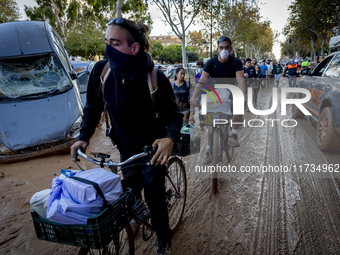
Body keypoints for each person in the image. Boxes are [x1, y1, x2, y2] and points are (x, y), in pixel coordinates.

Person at [70, 17, 183, 255]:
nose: (108, 48)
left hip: (153, 150)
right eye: (107, 42)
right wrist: (83, 137)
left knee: (154, 195)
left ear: (134, 48)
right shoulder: (102, 72)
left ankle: (164, 237)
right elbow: (92, 108)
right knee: (129, 191)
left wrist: (170, 138)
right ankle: (135, 216)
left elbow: (174, 115)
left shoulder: (155, 78)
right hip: (124, 146)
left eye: (115, 43)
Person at [190, 36, 246, 164]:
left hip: (231, 91)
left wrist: (242, 97)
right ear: (217, 49)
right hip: (215, 93)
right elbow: (202, 80)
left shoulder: (236, 62)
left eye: (227, 47)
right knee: (211, 122)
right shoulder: (211, 62)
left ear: (230, 48)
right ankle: (209, 150)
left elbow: (241, 81)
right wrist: (193, 97)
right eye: (221, 47)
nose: (224, 50)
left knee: (239, 107)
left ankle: (234, 134)